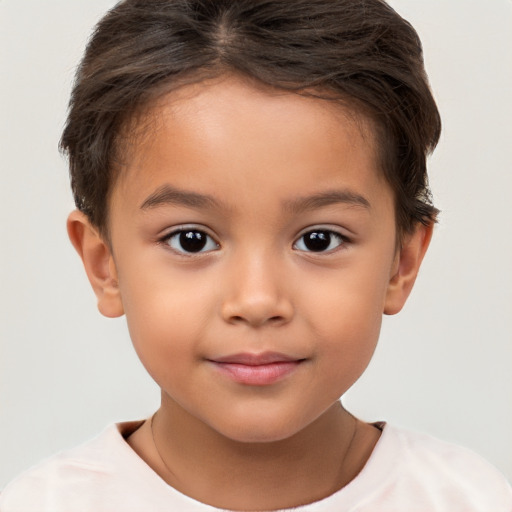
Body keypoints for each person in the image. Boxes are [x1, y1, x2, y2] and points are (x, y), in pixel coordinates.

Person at [1, 0, 511, 510]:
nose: (257, 300)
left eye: (319, 239)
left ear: (402, 263)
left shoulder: (468, 499)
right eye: (191, 239)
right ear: (103, 264)